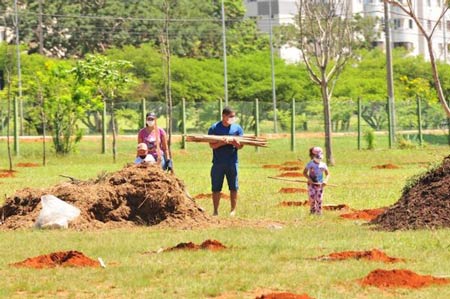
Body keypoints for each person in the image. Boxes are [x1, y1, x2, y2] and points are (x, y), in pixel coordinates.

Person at [208, 107, 244, 216]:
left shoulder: (237, 128)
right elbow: (211, 145)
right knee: (216, 188)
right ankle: (215, 211)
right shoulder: (214, 128)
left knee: (233, 187)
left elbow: (241, 146)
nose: (232, 118)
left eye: (233, 116)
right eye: (230, 116)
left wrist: (234, 143)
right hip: (218, 163)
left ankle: (233, 210)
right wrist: (222, 143)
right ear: (224, 116)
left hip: (232, 162)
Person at [303, 146, 330, 215]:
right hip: (311, 184)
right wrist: (309, 179)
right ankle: (312, 211)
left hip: (320, 185)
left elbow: (328, 174)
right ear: (313, 156)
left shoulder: (323, 165)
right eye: (317, 156)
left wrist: (325, 181)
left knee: (319, 199)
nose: (318, 158)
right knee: (312, 198)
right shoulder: (310, 164)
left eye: (320, 156)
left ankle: (319, 213)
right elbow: (304, 173)